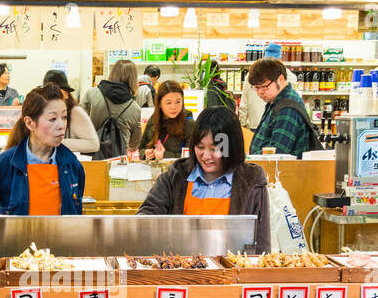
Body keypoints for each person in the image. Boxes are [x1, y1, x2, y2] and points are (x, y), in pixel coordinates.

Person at [136, 106, 271, 252]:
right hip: (182, 270)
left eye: (214, 149)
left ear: (232, 147)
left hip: (233, 272)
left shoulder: (252, 183)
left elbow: (262, 247)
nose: (206, 156)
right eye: (200, 147)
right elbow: (145, 218)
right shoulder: (175, 177)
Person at [0, 84, 85, 216]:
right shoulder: (0, 167)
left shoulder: (72, 165)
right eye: (52, 119)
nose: (61, 126)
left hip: (60, 237)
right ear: (29, 123)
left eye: (64, 117)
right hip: (16, 237)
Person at [247, 57, 320, 157]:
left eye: (264, 86)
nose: (260, 92)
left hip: (284, 171)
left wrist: (248, 159)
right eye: (256, 87)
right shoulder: (275, 101)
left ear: (280, 79)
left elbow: (278, 153)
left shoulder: (287, 109)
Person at [82, 58, 143, 155]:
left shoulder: (92, 94)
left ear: (112, 73)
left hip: (91, 154)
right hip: (118, 159)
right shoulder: (135, 108)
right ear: (134, 79)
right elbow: (135, 142)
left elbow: (79, 122)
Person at [43, 69, 99, 155]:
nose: (52, 96)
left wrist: (58, 142)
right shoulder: (44, 111)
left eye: (57, 93)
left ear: (66, 94)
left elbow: (94, 144)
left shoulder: (75, 112)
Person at [140, 80, 195, 161]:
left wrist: (165, 155)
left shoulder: (189, 124)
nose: (174, 107)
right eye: (168, 103)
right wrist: (145, 153)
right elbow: (141, 148)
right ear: (159, 103)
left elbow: (192, 157)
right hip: (154, 171)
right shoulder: (153, 120)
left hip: (177, 172)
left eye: (178, 102)